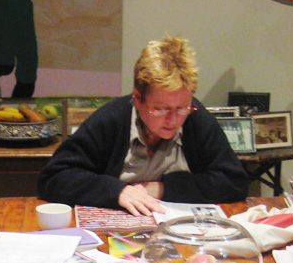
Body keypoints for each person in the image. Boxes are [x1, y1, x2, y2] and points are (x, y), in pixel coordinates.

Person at [38, 35, 248, 216]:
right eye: (161, 109)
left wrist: (162, 189)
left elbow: (234, 182)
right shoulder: (110, 120)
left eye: (182, 108)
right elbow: (54, 179)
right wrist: (117, 191)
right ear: (137, 99)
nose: (173, 120)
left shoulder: (196, 117)